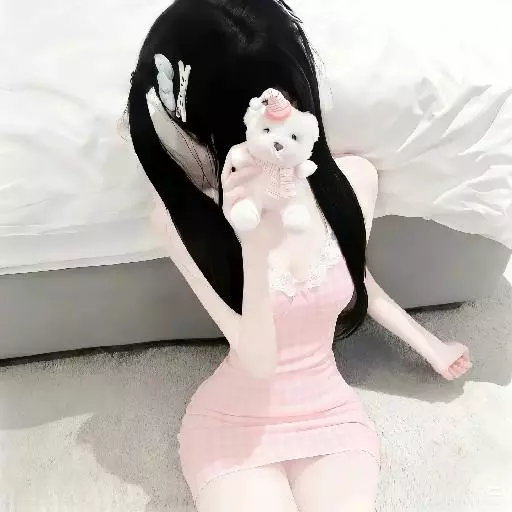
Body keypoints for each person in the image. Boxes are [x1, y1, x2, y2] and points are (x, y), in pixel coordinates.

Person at [128, 1, 472, 510]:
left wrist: (431, 346)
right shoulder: (184, 218)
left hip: (330, 415)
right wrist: (252, 244)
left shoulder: (352, 182)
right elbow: (257, 360)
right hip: (233, 425)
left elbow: (357, 279)